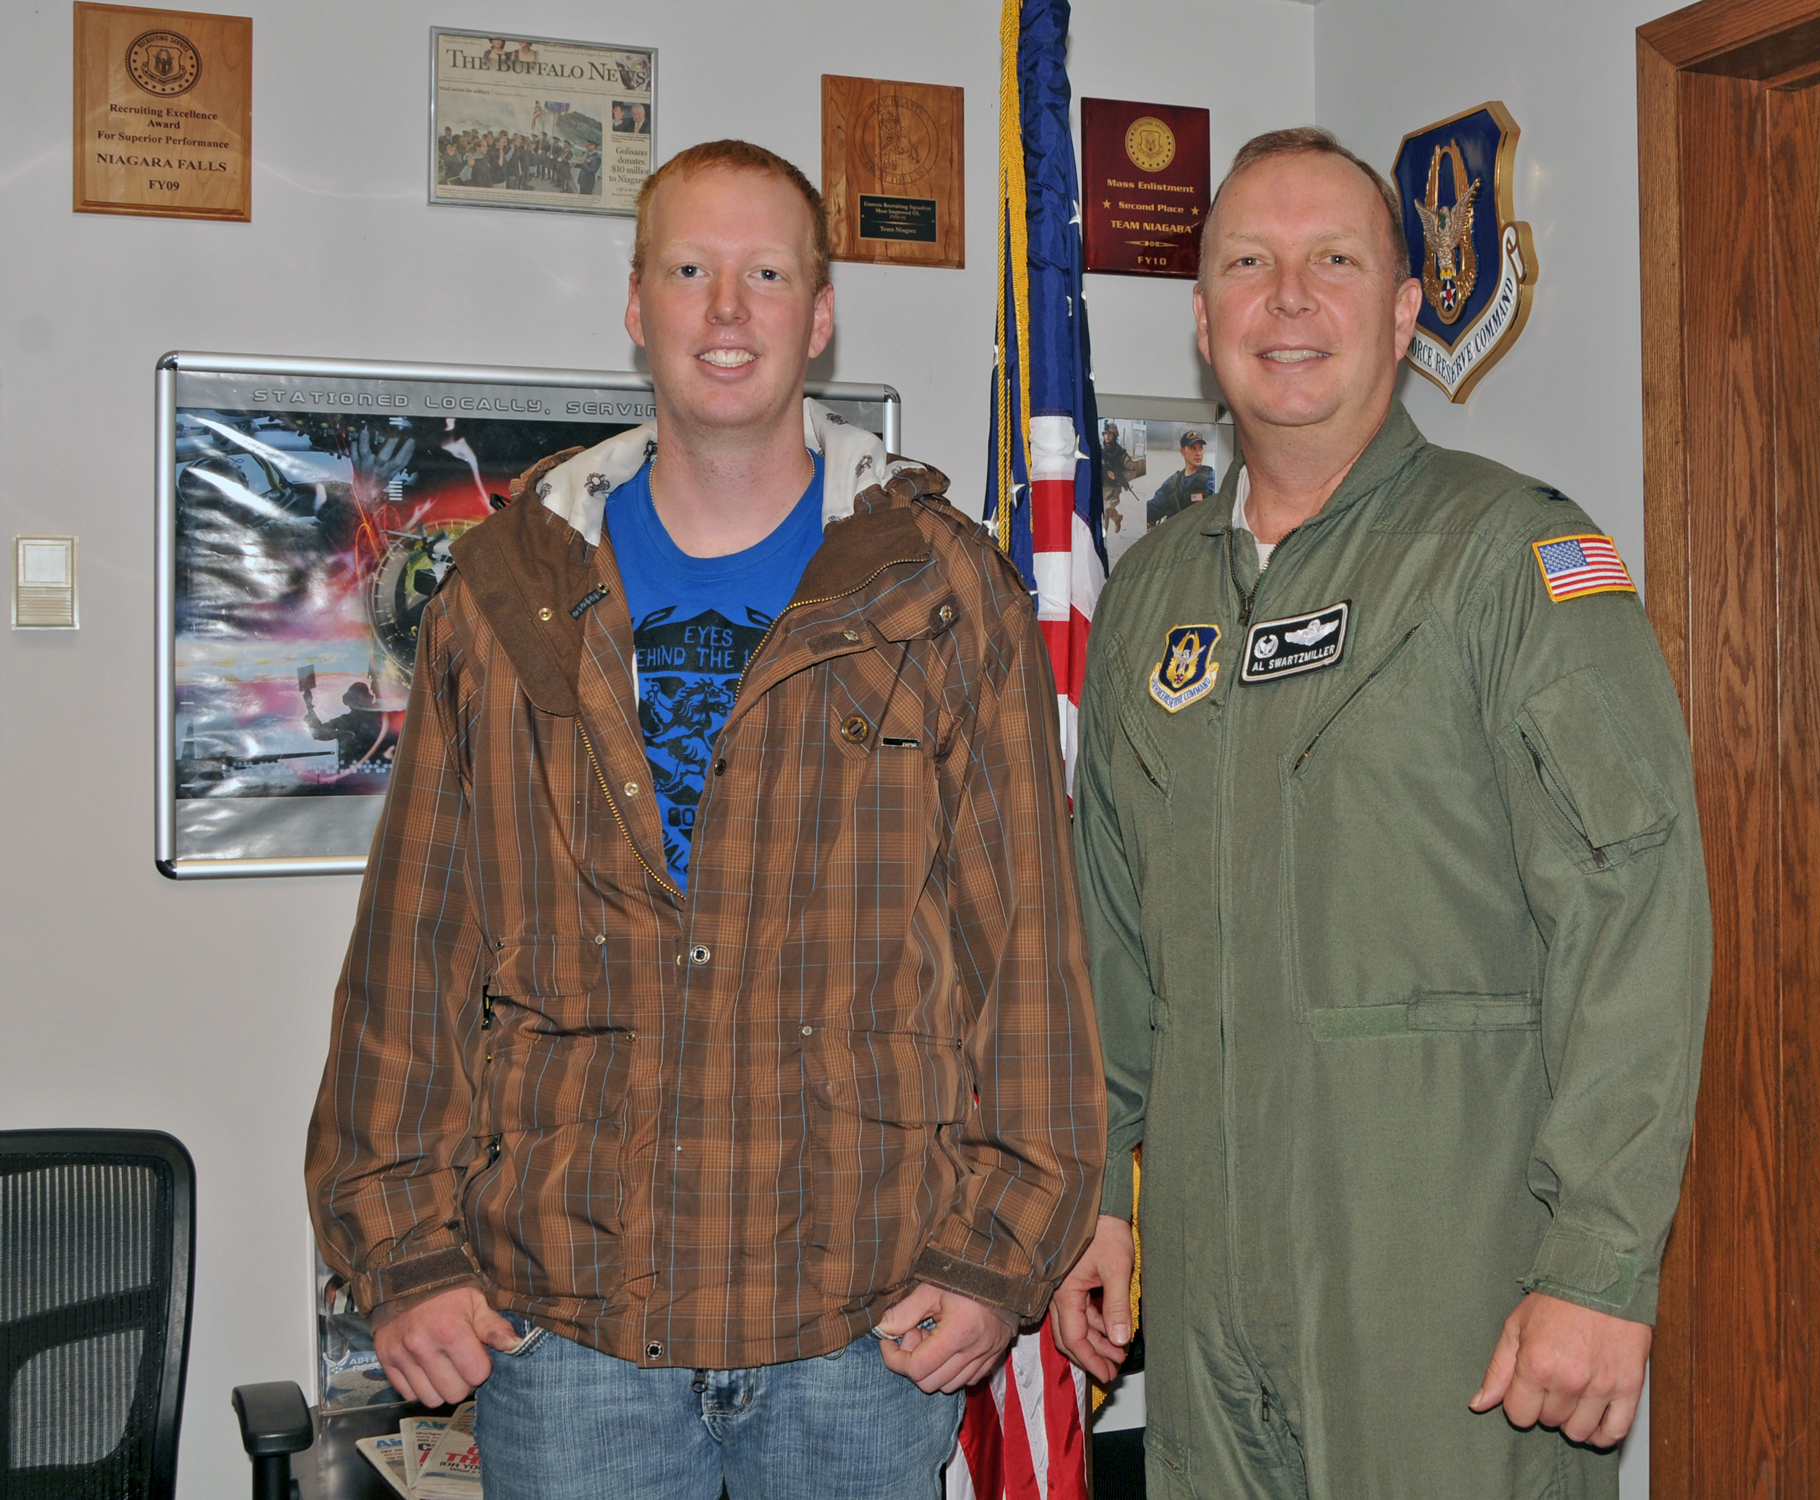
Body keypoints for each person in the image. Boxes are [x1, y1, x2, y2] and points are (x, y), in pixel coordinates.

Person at [309, 138, 1106, 1500]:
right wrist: (402, 1254)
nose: (727, 310)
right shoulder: (506, 594)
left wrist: (998, 1251)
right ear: (637, 306)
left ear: (820, 313)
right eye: (691, 271)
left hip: (865, 1323)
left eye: (766, 273)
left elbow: (1021, 951)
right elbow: (416, 954)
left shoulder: (938, 583)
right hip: (569, 1330)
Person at [1050, 126, 1711, 1499]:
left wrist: (1598, 1265)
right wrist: (1101, 1191)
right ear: (1203, 317)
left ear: (1406, 310)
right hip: (1208, 1298)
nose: (1290, 301)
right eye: (1250, 263)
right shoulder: (1152, 596)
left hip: (1445, 1299)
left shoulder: (1513, 559)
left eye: (1335, 262)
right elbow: (1106, 932)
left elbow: (1635, 919)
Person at [1143, 429, 1216, 527]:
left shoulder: (1211, 478)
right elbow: (1152, 510)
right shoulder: (1172, 484)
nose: (1198, 453)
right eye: (1193, 448)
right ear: (1182, 451)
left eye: (1201, 448)